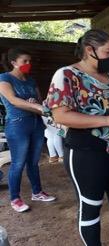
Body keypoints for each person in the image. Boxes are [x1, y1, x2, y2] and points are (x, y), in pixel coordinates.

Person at [44, 29, 109, 246]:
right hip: (86, 155)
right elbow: (60, 115)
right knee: (90, 208)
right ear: (90, 51)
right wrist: (107, 121)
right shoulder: (67, 75)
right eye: (107, 52)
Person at [0, 48, 56, 213]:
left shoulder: (31, 80)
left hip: (36, 123)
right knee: (18, 163)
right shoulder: (4, 79)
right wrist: (35, 105)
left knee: (33, 162)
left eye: (29, 61)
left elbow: (40, 102)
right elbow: (13, 100)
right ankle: (15, 198)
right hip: (17, 125)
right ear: (13, 63)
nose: (28, 64)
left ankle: (37, 192)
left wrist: (39, 103)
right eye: (24, 61)